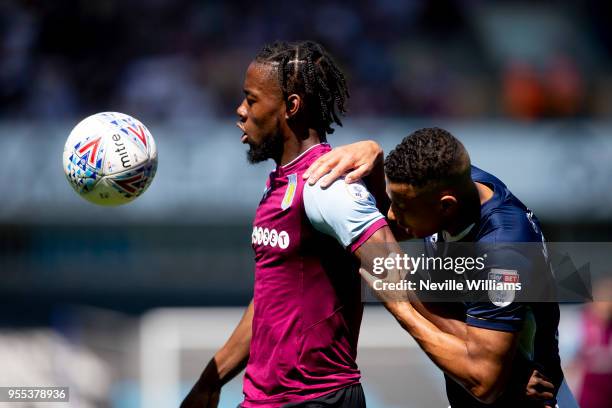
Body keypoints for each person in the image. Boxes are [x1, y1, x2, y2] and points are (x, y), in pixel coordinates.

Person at [181, 40, 391, 408]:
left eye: (252, 99)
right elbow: (270, 302)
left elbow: (397, 272)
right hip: (264, 399)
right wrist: (211, 380)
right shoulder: (281, 183)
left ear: (291, 107)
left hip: (317, 399)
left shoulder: (327, 185)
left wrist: (479, 355)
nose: (241, 110)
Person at [303, 128, 578, 407]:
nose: (390, 213)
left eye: (401, 206)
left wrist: (400, 307)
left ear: (446, 207)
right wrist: (373, 154)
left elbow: (485, 382)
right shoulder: (447, 187)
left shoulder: (503, 254)